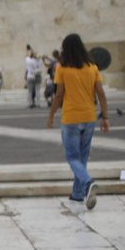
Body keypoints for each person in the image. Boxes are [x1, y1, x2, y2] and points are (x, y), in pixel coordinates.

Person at [46, 34, 111, 209]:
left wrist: (51, 115)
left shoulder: (62, 68)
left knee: (72, 157)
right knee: (82, 158)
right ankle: (77, 194)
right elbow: (101, 94)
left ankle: (88, 182)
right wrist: (105, 117)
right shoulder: (92, 68)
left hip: (71, 118)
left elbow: (59, 95)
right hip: (89, 117)